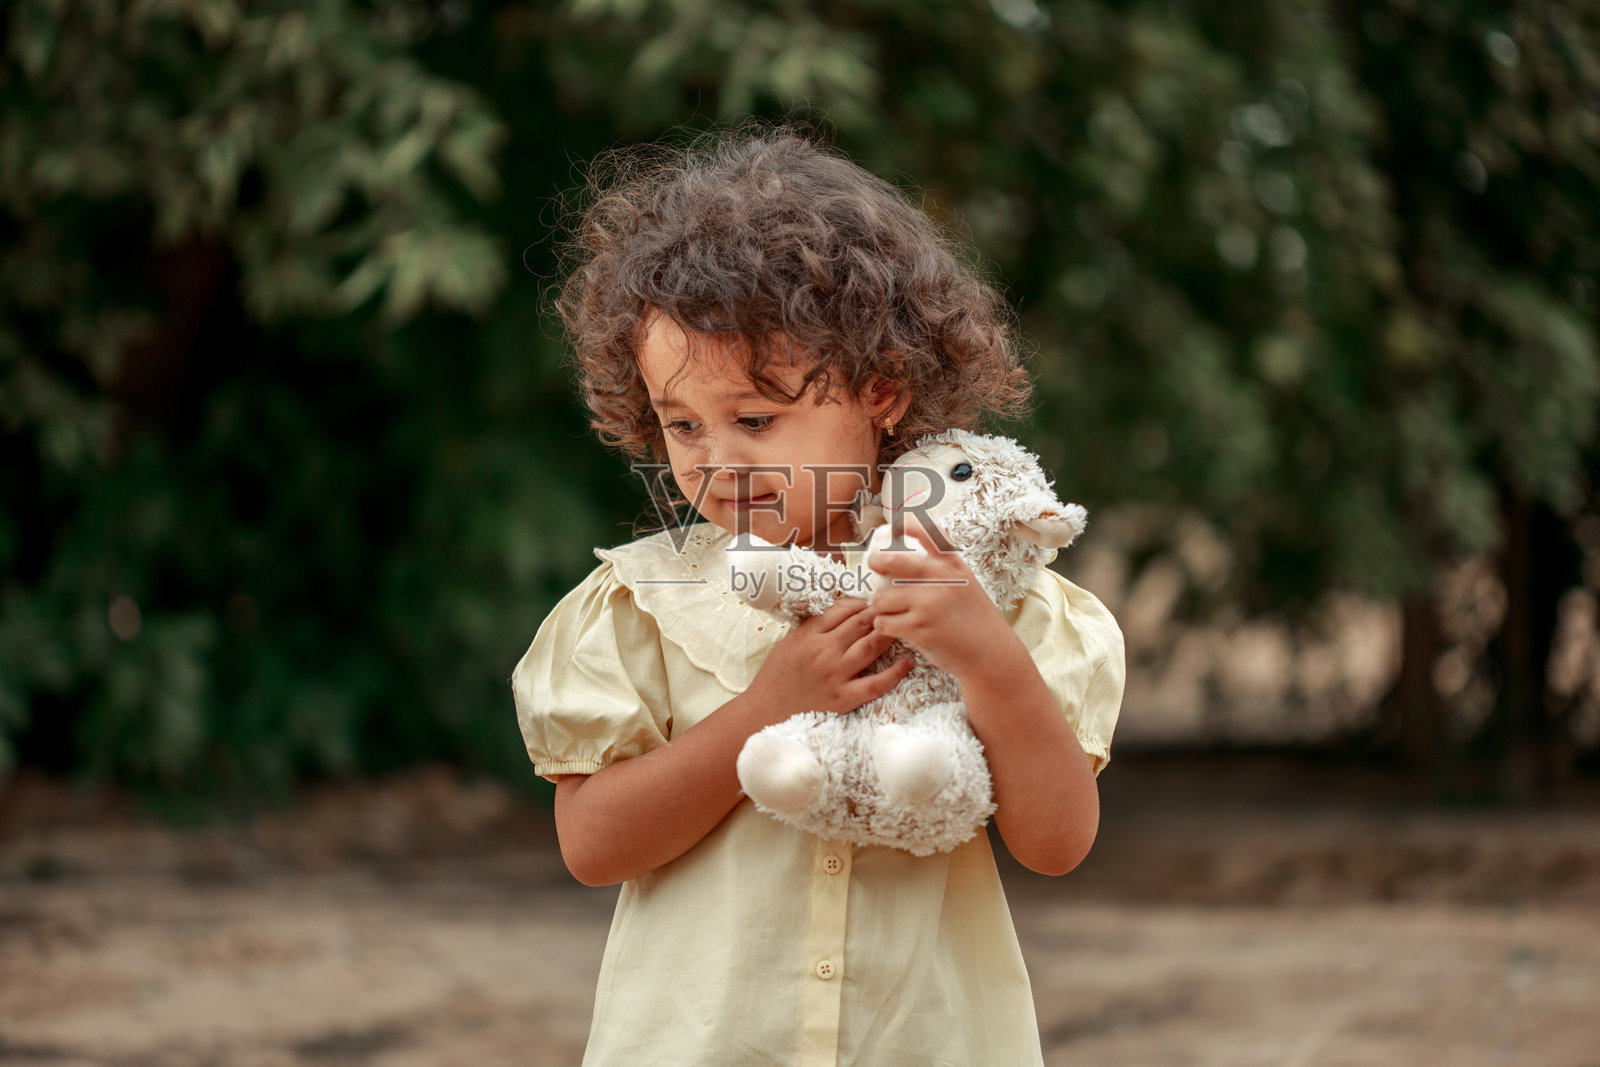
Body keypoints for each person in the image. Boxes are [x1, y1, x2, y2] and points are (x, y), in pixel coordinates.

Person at [511, 125, 1125, 1066]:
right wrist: (768, 706)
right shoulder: (646, 601)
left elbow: (1057, 841)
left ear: (879, 390)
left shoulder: (1001, 593)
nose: (715, 461)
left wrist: (985, 654)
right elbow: (593, 845)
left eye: (756, 418)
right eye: (682, 425)